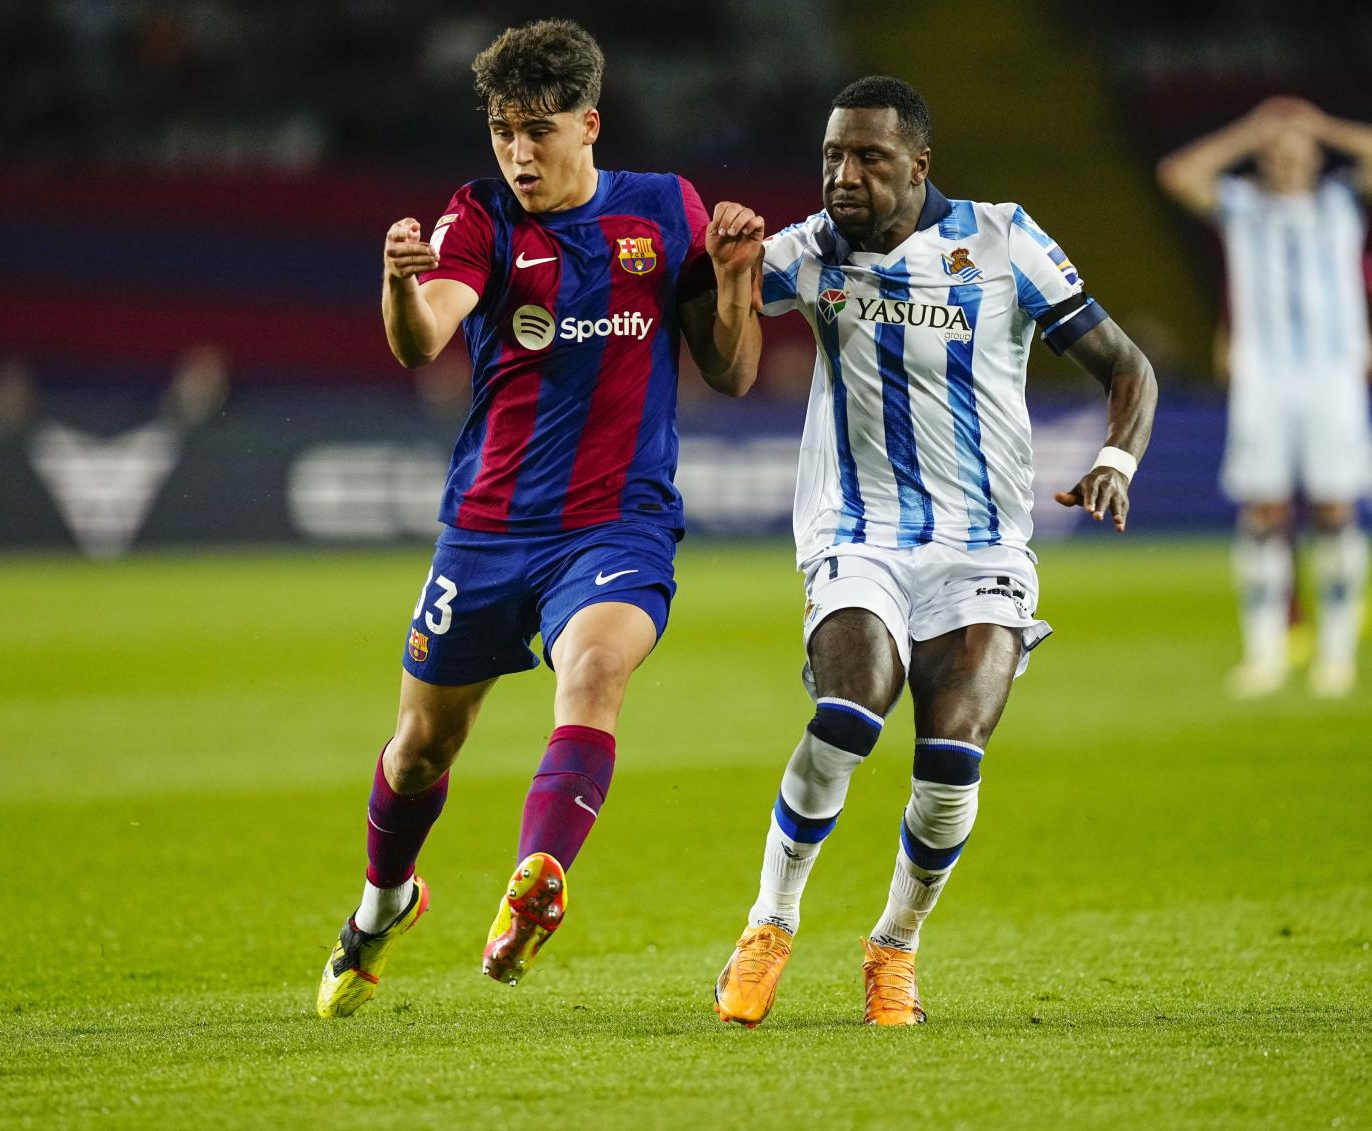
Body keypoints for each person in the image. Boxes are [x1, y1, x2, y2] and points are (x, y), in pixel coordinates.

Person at [316, 18, 763, 1017]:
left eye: (538, 131)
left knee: (594, 671)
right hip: (486, 527)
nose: (518, 153)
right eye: (502, 132)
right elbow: (420, 335)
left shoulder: (663, 213)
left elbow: (730, 373)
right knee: (419, 749)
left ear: (587, 124)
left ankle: (534, 883)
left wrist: (733, 279)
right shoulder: (479, 219)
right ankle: (382, 903)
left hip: (616, 524)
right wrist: (398, 286)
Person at [711, 76, 1157, 1028]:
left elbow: (1128, 367)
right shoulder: (808, 254)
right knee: (849, 712)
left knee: (951, 755)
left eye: (869, 158)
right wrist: (726, 274)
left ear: (919, 165)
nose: (844, 175)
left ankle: (895, 946)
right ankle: (770, 922)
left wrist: (1116, 457)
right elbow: (723, 358)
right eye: (833, 155)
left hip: (984, 543)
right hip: (857, 533)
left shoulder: (1002, 241)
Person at [1158, 97, 1372, 698]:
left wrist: (1321, 124)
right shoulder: (1242, 206)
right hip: (1263, 377)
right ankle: (1266, 654)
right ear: (1260, 160)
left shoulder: (1341, 202)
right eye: (1273, 154)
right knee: (1263, 513)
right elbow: (1178, 174)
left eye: (1294, 151)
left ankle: (1335, 654)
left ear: (1314, 158)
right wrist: (1252, 129)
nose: (1283, 161)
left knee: (1335, 508)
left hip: (1333, 374)